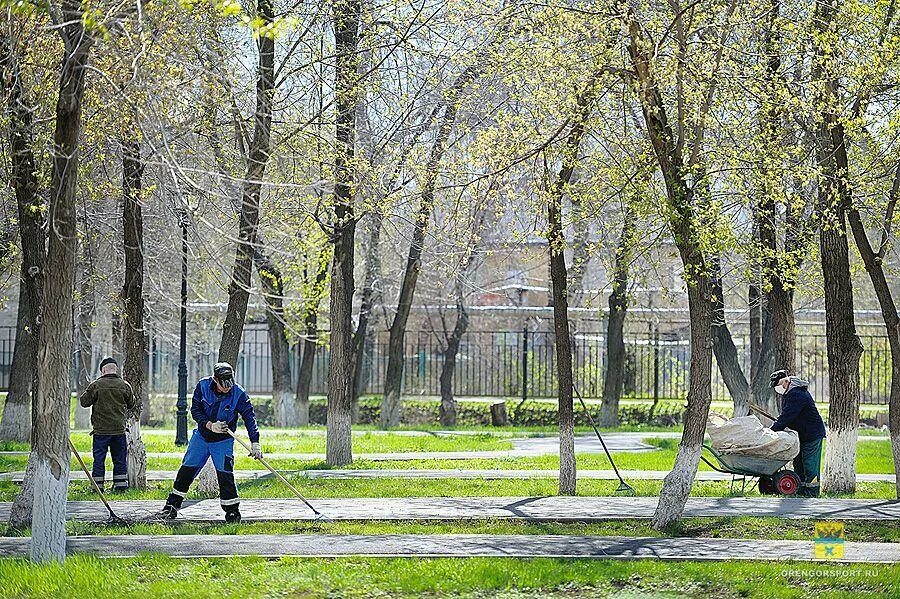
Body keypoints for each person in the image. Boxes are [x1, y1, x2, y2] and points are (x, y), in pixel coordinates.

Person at [160, 362, 261, 523]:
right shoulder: (202, 386)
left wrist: (255, 443)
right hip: (201, 437)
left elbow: (250, 418)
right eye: (223, 385)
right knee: (187, 470)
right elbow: (195, 410)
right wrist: (209, 425)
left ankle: (232, 512)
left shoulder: (239, 393)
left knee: (225, 474)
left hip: (224, 440)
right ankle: (171, 507)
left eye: (229, 384)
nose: (227, 388)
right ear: (215, 379)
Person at [79, 356, 139, 491]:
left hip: (101, 431)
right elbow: (132, 404)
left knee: (99, 459)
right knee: (119, 459)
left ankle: (97, 487)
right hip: (119, 430)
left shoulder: (96, 385)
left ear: (103, 370)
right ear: (115, 370)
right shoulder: (125, 385)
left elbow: (84, 402)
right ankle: (120, 486)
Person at [769, 369, 826, 497]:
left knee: (810, 464)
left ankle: (812, 491)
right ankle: (800, 489)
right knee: (798, 464)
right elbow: (785, 416)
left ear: (785, 381)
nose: (777, 389)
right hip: (801, 435)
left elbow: (787, 417)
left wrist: (771, 431)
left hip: (811, 435)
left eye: (777, 385)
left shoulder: (797, 394)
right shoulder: (789, 393)